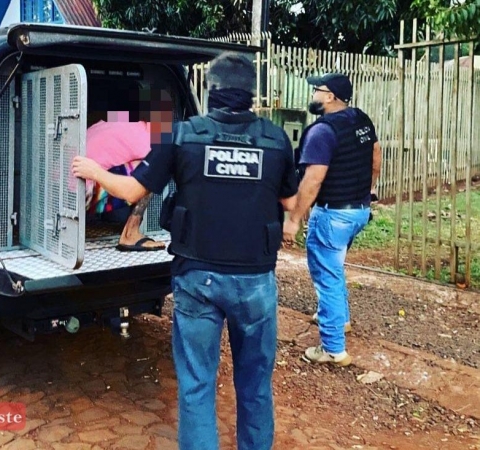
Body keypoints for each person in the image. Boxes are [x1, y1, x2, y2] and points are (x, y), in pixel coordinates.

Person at [73, 52, 298, 450]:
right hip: (255, 282)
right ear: (251, 93)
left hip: (198, 279)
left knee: (196, 386)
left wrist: (93, 171)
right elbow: (290, 203)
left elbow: (131, 191)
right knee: (255, 386)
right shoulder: (275, 139)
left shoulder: (181, 135)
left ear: (210, 90)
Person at [283, 73, 382, 366]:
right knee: (334, 267)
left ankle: (333, 348)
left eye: (318, 90)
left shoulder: (322, 131)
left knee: (326, 275)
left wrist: (294, 219)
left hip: (333, 214)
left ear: (330, 97)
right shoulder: (361, 120)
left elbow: (313, 179)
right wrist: (370, 188)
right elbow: (376, 154)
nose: (313, 93)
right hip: (358, 211)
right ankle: (339, 320)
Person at [85, 111, 165, 251]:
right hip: (83, 197)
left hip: (61, 196)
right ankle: (130, 234)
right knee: (150, 171)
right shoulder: (147, 142)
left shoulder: (117, 122)